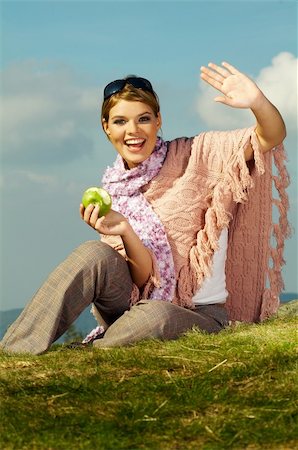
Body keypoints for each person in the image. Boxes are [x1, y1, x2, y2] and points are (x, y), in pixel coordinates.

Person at [1, 62, 290, 355]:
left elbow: (270, 136)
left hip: (195, 313)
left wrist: (257, 102)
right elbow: (141, 279)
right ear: (106, 127)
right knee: (93, 253)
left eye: (143, 119)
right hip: (130, 306)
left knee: (156, 315)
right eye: (120, 121)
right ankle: (15, 351)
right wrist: (124, 230)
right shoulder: (113, 191)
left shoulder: (197, 154)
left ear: (158, 120)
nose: (133, 131)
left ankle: (91, 351)